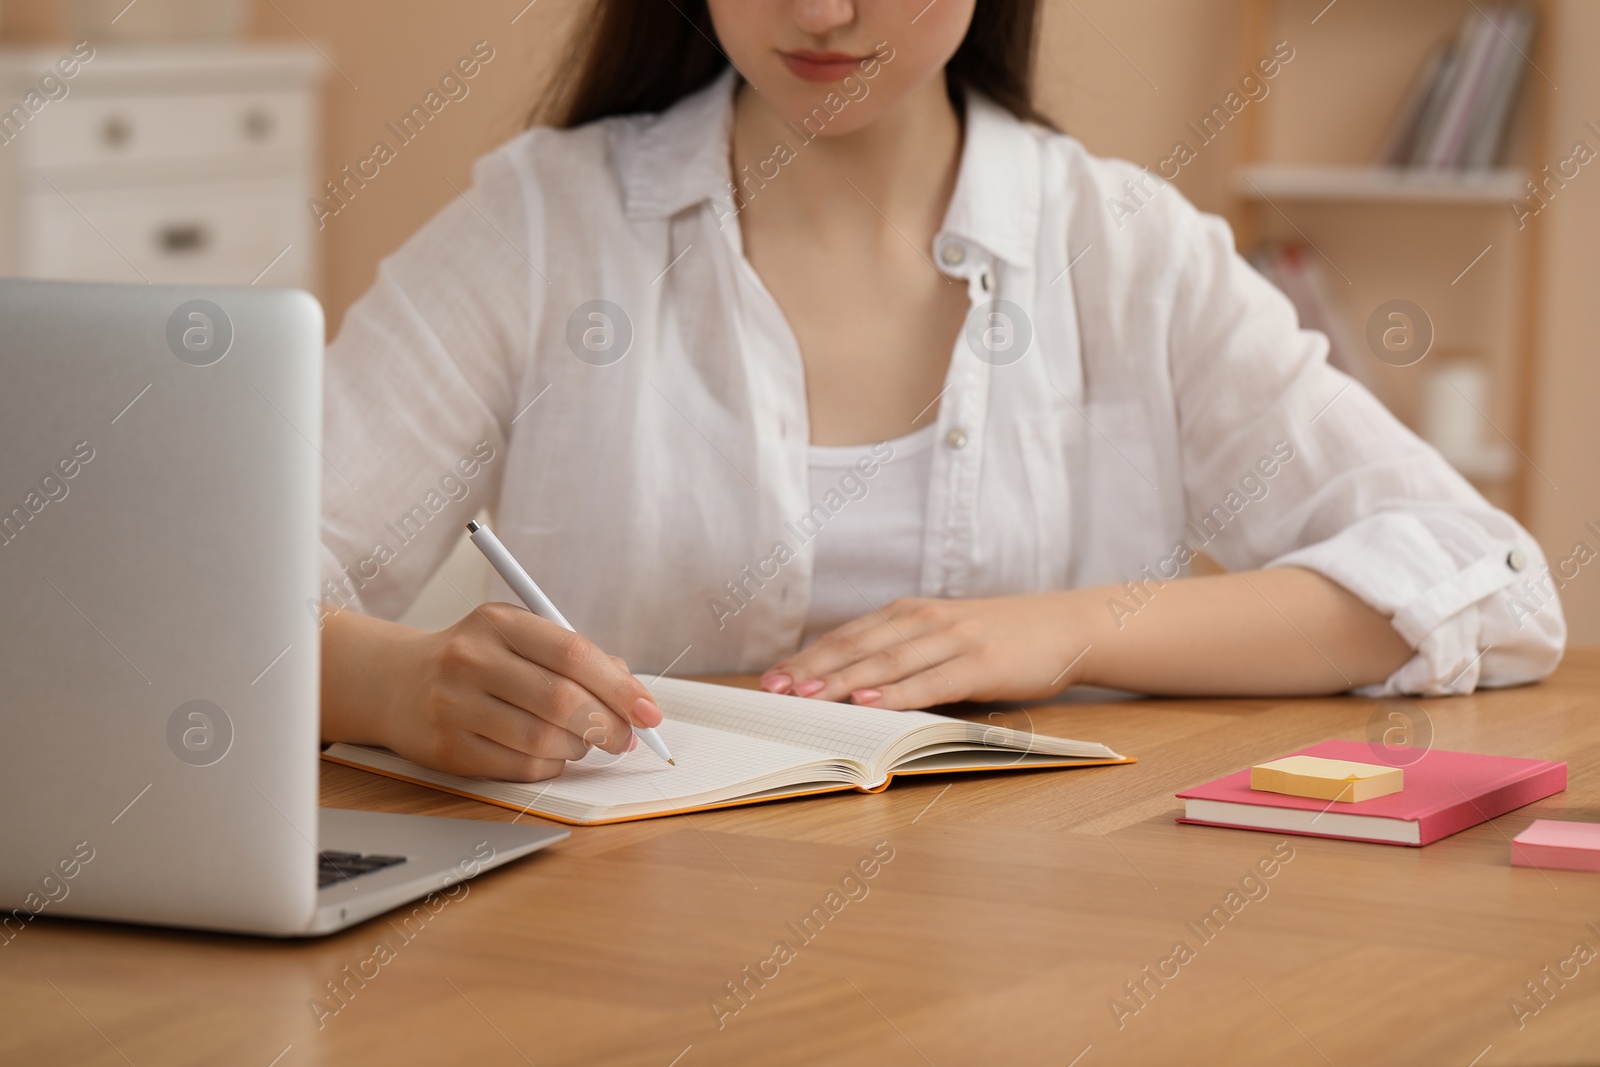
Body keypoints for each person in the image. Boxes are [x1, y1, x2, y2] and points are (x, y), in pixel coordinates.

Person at [316, 0, 1564, 782]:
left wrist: (1061, 628)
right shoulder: (544, 224)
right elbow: (209, 593)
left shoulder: (1121, 244)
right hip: (613, 943)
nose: (820, 11)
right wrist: (394, 683)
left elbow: (1486, 582)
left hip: (1033, 941)